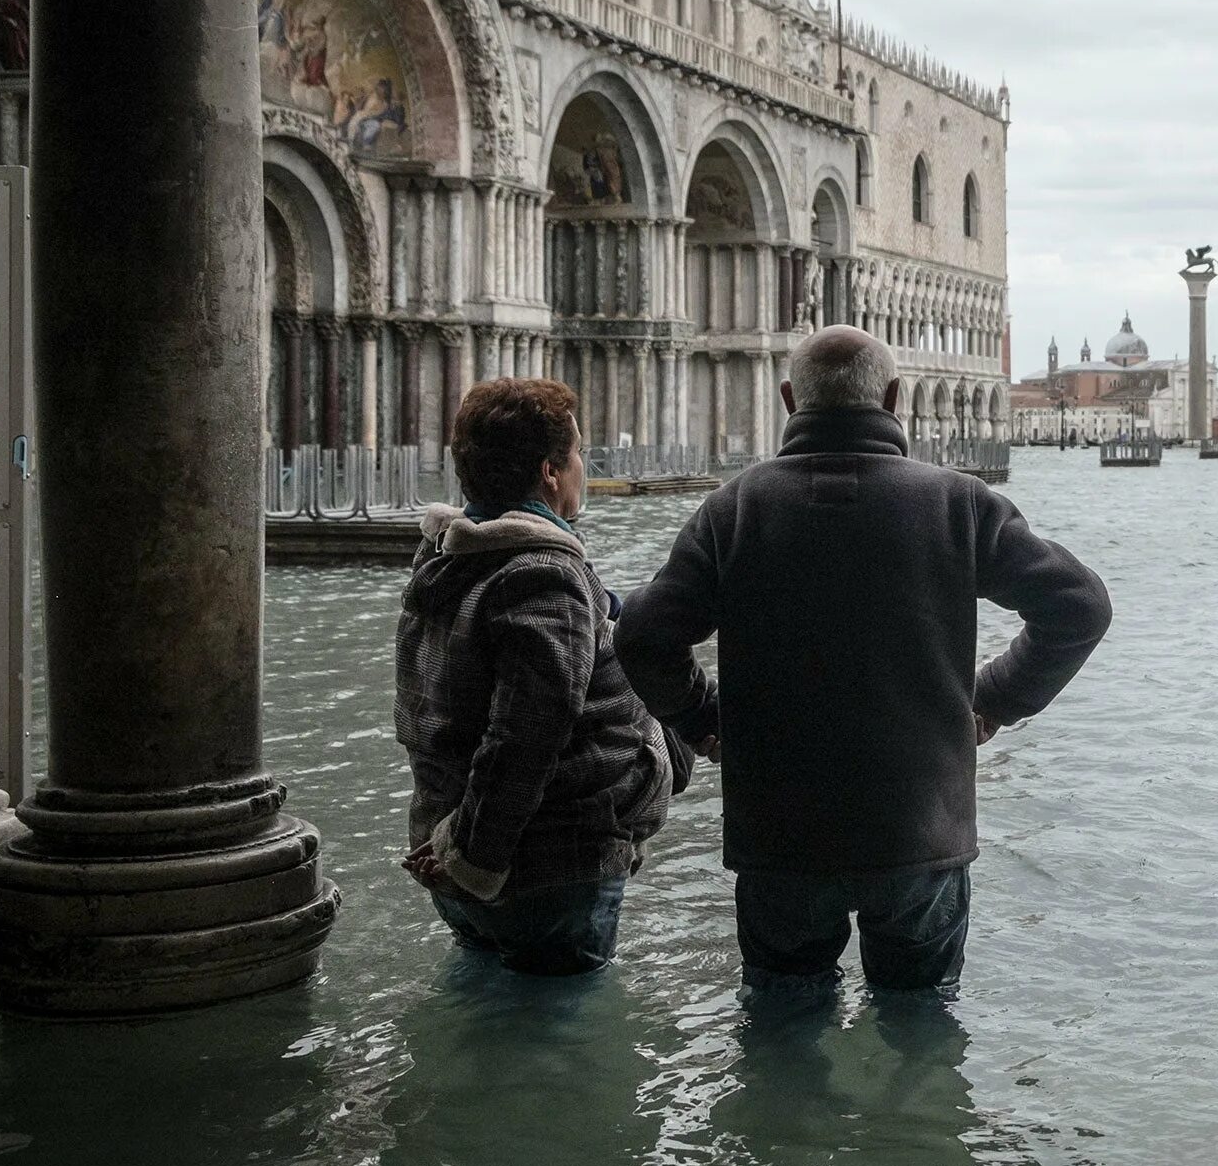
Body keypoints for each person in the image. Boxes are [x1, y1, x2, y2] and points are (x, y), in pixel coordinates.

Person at [617, 327, 1111, 995]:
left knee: (784, 1025)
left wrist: (705, 719)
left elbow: (643, 635)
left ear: (790, 399)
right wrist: (992, 700)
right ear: (895, 397)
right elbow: (1078, 606)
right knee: (919, 1025)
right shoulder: (959, 503)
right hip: (919, 830)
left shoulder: (734, 509)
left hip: (780, 836)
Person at [396, 377, 715, 975]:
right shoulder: (544, 574)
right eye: (577, 456)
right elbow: (525, 736)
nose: (581, 470)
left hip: (448, 849)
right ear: (549, 472)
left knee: (489, 1009)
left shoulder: (443, 562)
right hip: (543, 868)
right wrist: (473, 860)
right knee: (556, 1038)